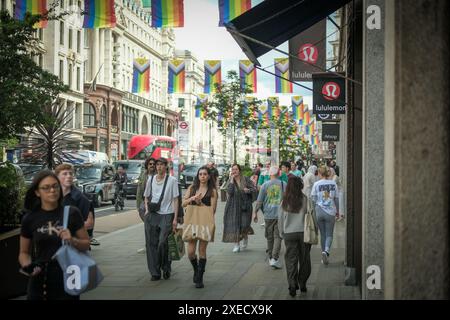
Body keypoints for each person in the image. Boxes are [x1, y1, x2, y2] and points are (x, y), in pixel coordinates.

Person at [19, 170, 90, 300]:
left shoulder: (72, 213)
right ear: (37, 192)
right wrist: (27, 266)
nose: (52, 190)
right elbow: (24, 252)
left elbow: (86, 244)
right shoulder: (30, 218)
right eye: (46, 188)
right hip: (39, 280)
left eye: (55, 186)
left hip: (67, 277)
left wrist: (72, 240)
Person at [143, 158, 179, 281]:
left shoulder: (172, 180)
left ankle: (166, 267)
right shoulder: (150, 179)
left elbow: (175, 199)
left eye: (161, 165)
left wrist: (175, 218)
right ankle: (155, 272)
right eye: (157, 165)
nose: (159, 167)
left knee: (162, 243)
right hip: (152, 214)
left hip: (167, 214)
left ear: (166, 166)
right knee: (151, 244)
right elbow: (146, 196)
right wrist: (147, 210)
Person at [182, 166, 218, 288]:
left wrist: (200, 203)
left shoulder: (212, 191)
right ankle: (196, 269)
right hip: (192, 221)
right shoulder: (192, 188)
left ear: (208, 176)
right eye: (200, 174)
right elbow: (183, 203)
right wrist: (192, 198)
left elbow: (212, 210)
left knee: (202, 250)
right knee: (191, 252)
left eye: (205, 174)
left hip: (205, 223)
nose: (202, 176)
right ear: (198, 176)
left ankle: (200, 277)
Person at [278, 175, 311, 297]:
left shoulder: (284, 201)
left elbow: (280, 219)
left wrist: (282, 233)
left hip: (289, 234)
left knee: (291, 260)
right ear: (300, 186)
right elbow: (311, 216)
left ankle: (292, 284)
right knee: (305, 260)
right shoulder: (305, 199)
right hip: (304, 234)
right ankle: (302, 283)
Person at [253, 166, 286, 269]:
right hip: (280, 214)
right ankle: (274, 259)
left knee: (269, 237)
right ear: (279, 174)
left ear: (270, 174)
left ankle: (271, 256)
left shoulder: (265, 185)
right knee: (278, 236)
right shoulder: (283, 184)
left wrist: (255, 212)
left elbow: (260, 200)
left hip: (268, 214)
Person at [55, 163, 94, 245]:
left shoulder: (80, 198)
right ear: (57, 177)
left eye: (71, 173)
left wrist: (66, 228)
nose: (69, 176)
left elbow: (89, 223)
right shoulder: (53, 196)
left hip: (75, 244)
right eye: (65, 174)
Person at [222, 164, 256, 252]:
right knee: (235, 225)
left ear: (239, 170)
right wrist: (232, 181)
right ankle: (236, 244)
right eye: (233, 169)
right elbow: (229, 192)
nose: (234, 171)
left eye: (236, 169)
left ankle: (245, 237)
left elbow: (254, 189)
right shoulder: (230, 180)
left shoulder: (246, 179)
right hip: (233, 206)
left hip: (245, 205)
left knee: (244, 224)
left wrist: (248, 190)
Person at [311, 166, 340, 265]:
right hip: (330, 211)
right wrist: (338, 211)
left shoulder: (316, 184)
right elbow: (336, 199)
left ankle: (323, 255)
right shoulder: (333, 183)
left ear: (319, 173)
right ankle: (326, 251)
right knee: (329, 234)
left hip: (319, 210)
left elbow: (313, 199)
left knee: (322, 234)